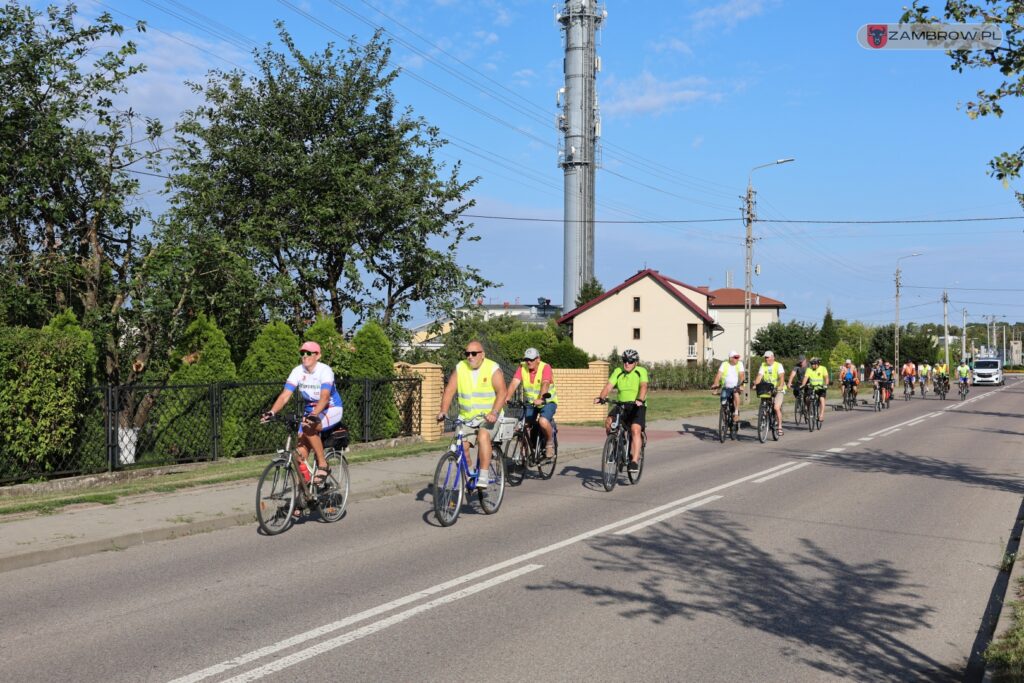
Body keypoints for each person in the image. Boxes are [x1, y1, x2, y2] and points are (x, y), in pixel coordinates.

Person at [261, 341, 343, 486]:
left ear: (318, 356)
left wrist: (314, 415)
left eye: (308, 353)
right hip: (310, 412)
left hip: (330, 408)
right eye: (302, 353)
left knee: (308, 426)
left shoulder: (325, 370)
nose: (304, 356)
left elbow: (324, 397)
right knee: (299, 457)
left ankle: (323, 464)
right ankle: (303, 497)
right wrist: (272, 412)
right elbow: (285, 395)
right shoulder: (298, 371)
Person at [437, 340, 507, 488]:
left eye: (474, 353)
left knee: (483, 436)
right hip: (467, 418)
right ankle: (469, 473)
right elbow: (449, 390)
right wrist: (443, 410)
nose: (470, 356)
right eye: (467, 353)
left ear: (482, 355)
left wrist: (494, 412)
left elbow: (502, 392)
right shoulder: (460, 367)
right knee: (461, 444)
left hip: (489, 417)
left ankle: (483, 474)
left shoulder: (492, 368)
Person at [594, 349, 648, 472]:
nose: (627, 364)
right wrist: (601, 397)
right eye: (624, 361)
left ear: (636, 363)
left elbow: (644, 386)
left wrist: (640, 399)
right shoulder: (618, 372)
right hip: (621, 405)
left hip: (637, 405)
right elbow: (608, 386)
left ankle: (634, 461)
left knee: (635, 429)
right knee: (608, 422)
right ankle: (617, 443)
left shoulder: (641, 371)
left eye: (630, 361)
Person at [504, 347, 557, 460]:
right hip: (531, 403)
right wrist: (507, 397)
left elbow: (545, 384)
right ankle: (523, 452)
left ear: (538, 359)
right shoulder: (522, 367)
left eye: (532, 359)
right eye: (527, 359)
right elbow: (514, 383)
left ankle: (549, 443)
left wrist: (542, 398)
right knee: (523, 425)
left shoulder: (545, 367)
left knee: (543, 421)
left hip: (547, 402)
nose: (529, 362)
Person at [753, 350, 785, 436]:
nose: (766, 359)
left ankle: (779, 427)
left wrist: (781, 386)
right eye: (765, 357)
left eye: (767, 357)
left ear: (772, 357)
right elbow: (759, 376)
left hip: (778, 389)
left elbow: (781, 377)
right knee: (764, 403)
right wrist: (756, 385)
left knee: (776, 407)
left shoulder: (778, 365)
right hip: (767, 389)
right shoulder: (763, 365)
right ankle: (764, 417)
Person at [711, 350, 746, 421]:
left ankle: (736, 413)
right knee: (723, 401)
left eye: (738, 357)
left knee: (736, 395)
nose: (737, 359)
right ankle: (724, 416)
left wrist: (742, 385)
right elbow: (718, 375)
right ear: (730, 358)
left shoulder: (740, 364)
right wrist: (715, 385)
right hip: (726, 387)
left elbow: (742, 376)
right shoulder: (724, 364)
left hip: (735, 387)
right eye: (735, 357)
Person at [800, 357, 830, 423]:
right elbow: (805, 378)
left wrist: (826, 384)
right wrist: (803, 385)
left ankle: (821, 415)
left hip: (820, 387)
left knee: (822, 399)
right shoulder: (809, 369)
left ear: (818, 364)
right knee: (807, 398)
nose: (812, 365)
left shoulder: (823, 368)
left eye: (814, 364)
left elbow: (826, 378)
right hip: (812, 387)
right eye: (811, 364)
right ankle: (809, 410)